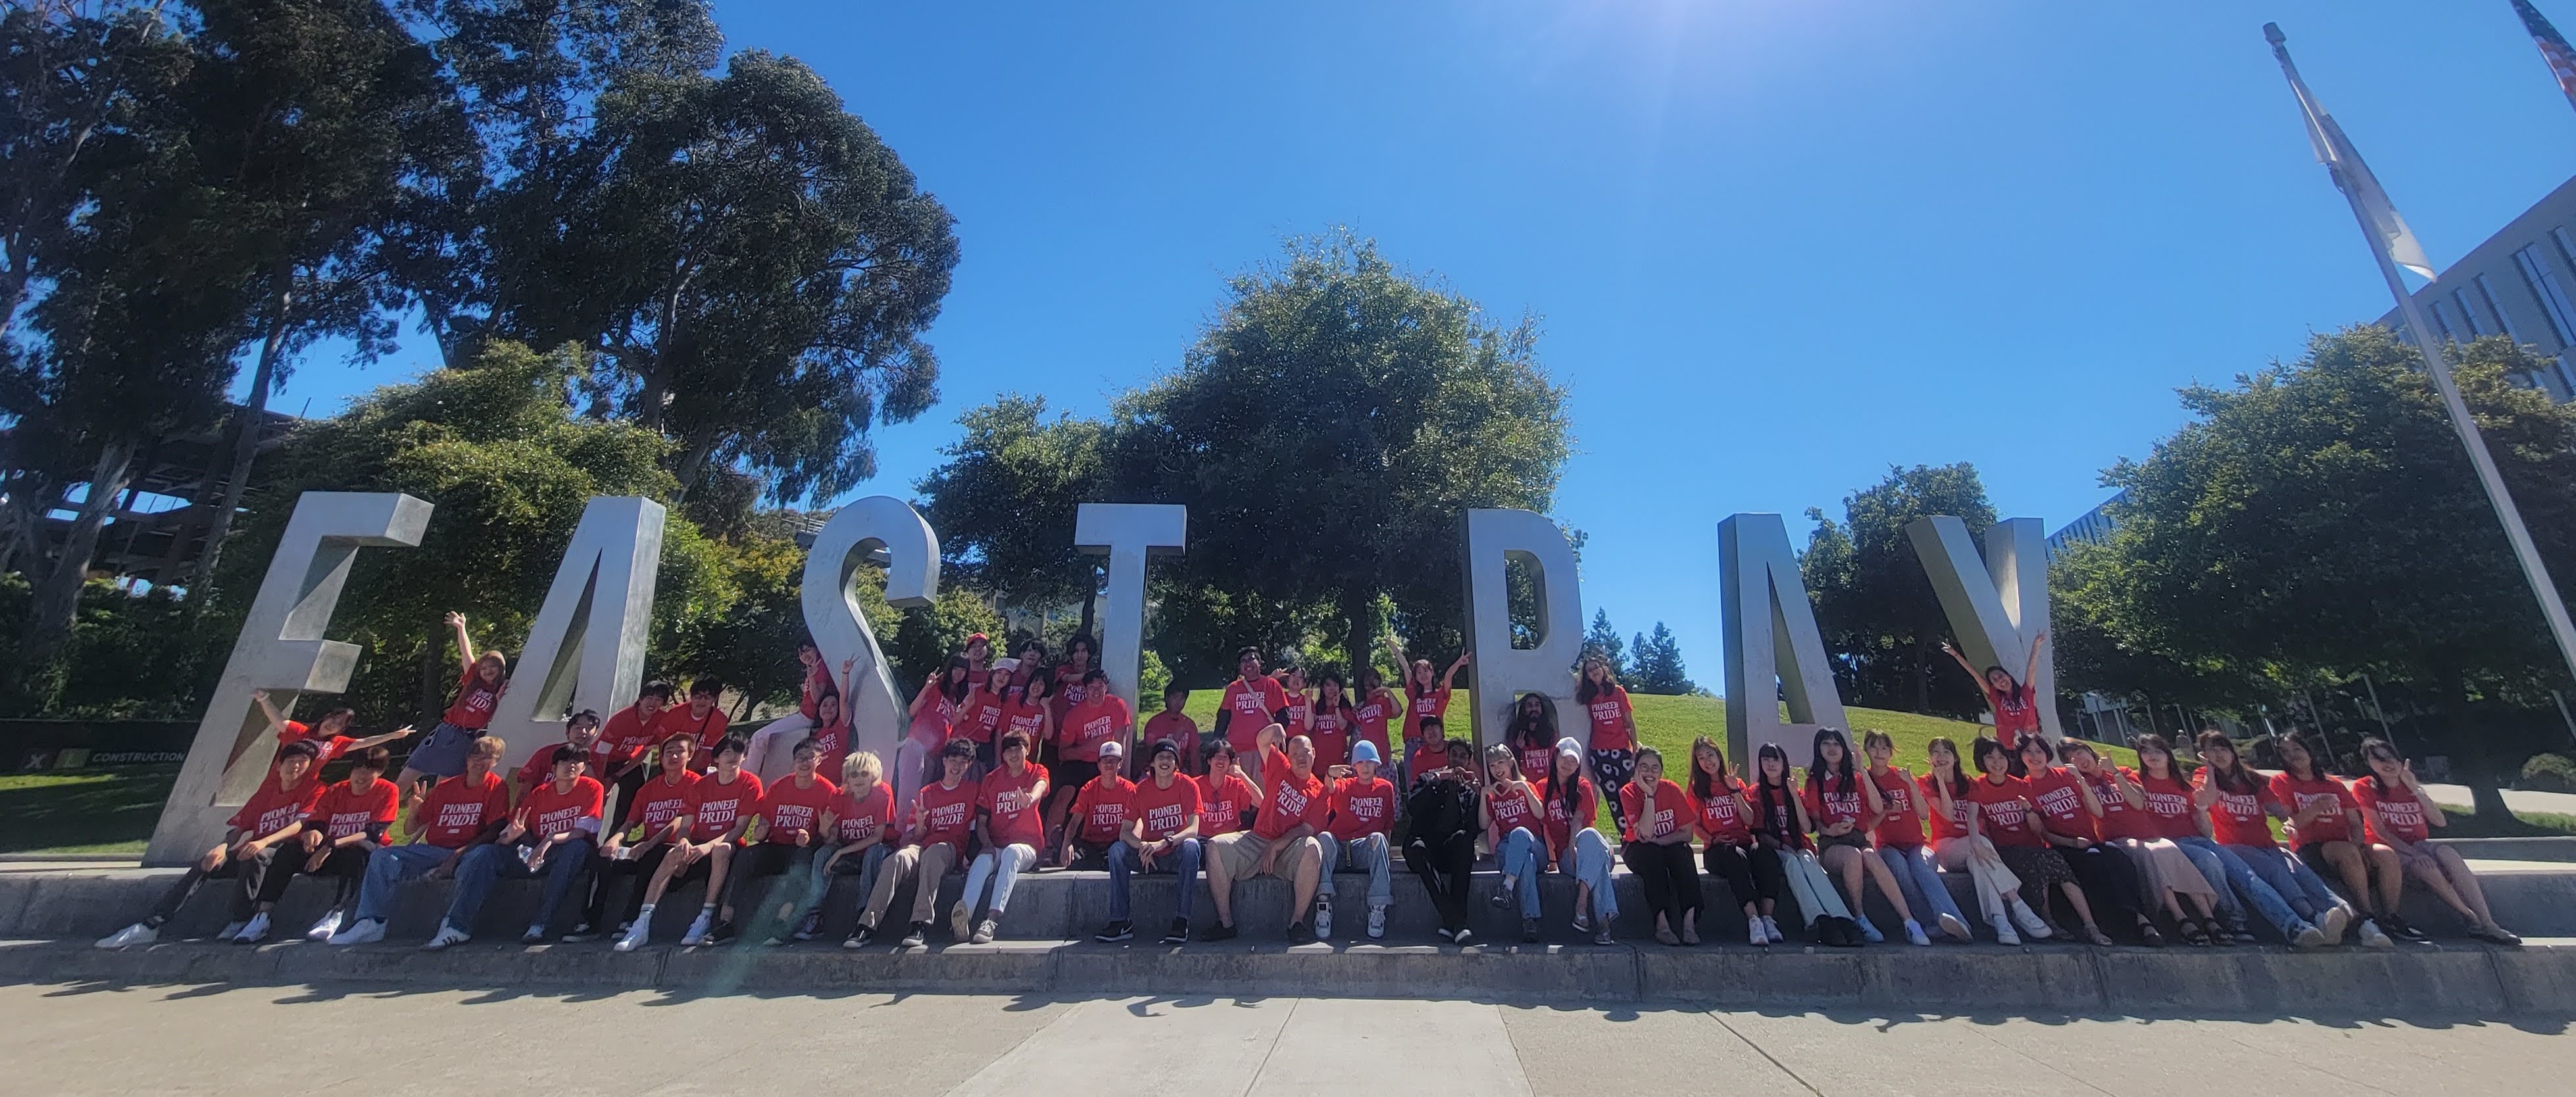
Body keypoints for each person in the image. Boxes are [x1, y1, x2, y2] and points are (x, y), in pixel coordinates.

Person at [99, 741, 324, 949]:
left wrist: (263, 841)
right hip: (253, 846)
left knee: (257, 854)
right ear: (279, 765)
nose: (296, 766)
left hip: (283, 851)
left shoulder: (315, 789)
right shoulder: (266, 792)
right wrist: (222, 847)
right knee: (208, 862)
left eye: (303, 762)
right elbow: (240, 826)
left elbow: (300, 824)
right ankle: (153, 924)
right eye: (291, 761)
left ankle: (241, 918)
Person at [2137, 733, 2332, 948]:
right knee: (2210, 862)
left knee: (2249, 877)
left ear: (2168, 755)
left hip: (2201, 840)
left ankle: (2296, 925)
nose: (2152, 756)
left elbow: (2204, 824)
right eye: (2145, 751)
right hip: (2171, 844)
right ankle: (2236, 920)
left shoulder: (2183, 785)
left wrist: (2203, 807)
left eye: (2158, 750)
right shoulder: (2139, 781)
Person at [328, 735, 512, 946]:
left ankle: (454, 925)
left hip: (467, 852)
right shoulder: (445, 788)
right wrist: (414, 811)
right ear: (467, 758)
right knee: (382, 857)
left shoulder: (497, 787)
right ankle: (370, 923)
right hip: (434, 850)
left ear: (496, 761)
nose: (479, 762)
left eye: (488, 758)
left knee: (479, 858)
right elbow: (409, 829)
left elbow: (494, 829)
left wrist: (457, 854)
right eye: (476, 756)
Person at [430, 744, 605, 948]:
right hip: (533, 853)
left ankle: (540, 924)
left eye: (577, 762)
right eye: (565, 762)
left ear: (584, 768)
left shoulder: (592, 788)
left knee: (577, 847)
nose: (571, 766)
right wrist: (511, 837)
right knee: (485, 853)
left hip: (565, 852)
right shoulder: (539, 794)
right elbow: (507, 835)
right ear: (554, 769)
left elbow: (580, 833)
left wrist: (549, 840)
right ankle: (457, 927)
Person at [2352, 737, 2519, 944]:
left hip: (2420, 844)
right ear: (2369, 764)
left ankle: (2488, 922)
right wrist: (2414, 854)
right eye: (2379, 759)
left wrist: (2415, 788)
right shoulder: (2365, 787)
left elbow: (2439, 821)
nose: (2388, 763)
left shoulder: (2408, 786)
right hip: (2393, 848)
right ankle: (2471, 918)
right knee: (2426, 867)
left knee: (2448, 852)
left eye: (2391, 757)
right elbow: (2381, 831)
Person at [2064, 739, 2227, 944]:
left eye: (2080, 753)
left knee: (2169, 849)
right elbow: (2097, 812)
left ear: (2090, 752)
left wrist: (2115, 773)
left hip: (2148, 836)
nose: (2078, 759)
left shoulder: (2123, 771)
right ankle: (2180, 917)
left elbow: (2138, 803)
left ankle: (2209, 918)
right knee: (2151, 854)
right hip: (2119, 839)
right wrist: (2081, 780)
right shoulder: (2081, 784)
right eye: (2071, 758)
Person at [613, 736, 761, 951]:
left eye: (738, 752)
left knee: (722, 850)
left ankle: (704, 918)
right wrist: (684, 841)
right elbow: (685, 825)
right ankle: (642, 923)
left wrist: (707, 847)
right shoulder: (701, 786)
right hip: (698, 844)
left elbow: (738, 829)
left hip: (726, 846)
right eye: (727, 753)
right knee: (672, 853)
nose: (732, 757)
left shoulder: (750, 783)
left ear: (745, 757)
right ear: (717, 759)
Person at [1962, 737, 2103, 942]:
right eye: (1990, 757)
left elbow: (2038, 830)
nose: (1997, 762)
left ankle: (2090, 925)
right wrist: (1977, 842)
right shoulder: (1978, 787)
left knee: (2055, 862)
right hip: (2008, 849)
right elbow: (1974, 819)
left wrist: (2028, 810)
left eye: (2001, 757)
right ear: (1981, 761)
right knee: (2037, 863)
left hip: (2033, 845)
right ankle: (2049, 921)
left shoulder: (2020, 786)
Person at [2020, 736, 2157, 946]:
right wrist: (2073, 843)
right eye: (2028, 752)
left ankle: (2142, 918)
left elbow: (2097, 811)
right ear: (2021, 757)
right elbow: (2042, 833)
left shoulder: (2065, 775)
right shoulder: (2026, 787)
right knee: (2095, 862)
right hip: (2065, 845)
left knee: (2118, 857)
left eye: (2039, 751)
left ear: (2047, 754)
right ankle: (2121, 921)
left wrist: (2081, 781)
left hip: (2092, 841)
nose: (2035, 757)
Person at [1204, 723, 1329, 942]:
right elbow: (1262, 740)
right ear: (1287, 756)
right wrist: (1276, 728)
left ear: (1315, 753)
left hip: (1288, 849)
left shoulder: (1320, 791)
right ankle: (1225, 923)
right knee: (1215, 845)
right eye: (1295, 753)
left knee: (1313, 847)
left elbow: (1307, 829)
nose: (1301, 758)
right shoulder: (1280, 767)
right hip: (1257, 838)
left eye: (1306, 752)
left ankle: (1297, 922)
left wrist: (1278, 844)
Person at [567, 734, 698, 942]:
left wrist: (648, 844)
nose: (674, 756)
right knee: (602, 860)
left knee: (651, 856)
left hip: (674, 848)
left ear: (690, 755)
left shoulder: (696, 784)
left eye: (679, 751)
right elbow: (629, 823)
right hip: (646, 845)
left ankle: (629, 920)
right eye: (668, 752)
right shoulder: (648, 789)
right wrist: (614, 840)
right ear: (661, 758)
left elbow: (680, 821)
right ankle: (590, 922)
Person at [2265, 732, 2391, 946]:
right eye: (2285, 753)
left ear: (2309, 751)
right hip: (2310, 847)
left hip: (2344, 846)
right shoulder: (2282, 782)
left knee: (2386, 855)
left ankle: (2391, 916)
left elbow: (2355, 824)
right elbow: (2289, 822)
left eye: (2297, 749)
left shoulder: (2334, 785)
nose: (2292, 756)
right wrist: (2315, 809)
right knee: (2346, 852)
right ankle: (2368, 913)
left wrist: (2358, 845)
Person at [851, 738, 978, 948]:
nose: (956, 766)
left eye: (962, 762)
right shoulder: (927, 793)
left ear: (969, 765)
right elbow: (917, 838)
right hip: (924, 845)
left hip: (948, 848)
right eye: (953, 760)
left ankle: (920, 923)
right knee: (897, 858)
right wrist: (920, 823)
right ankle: (866, 925)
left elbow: (974, 831)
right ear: (944, 762)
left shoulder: (972, 791)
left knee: (934, 853)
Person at [1919, 736, 2046, 943]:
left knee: (1979, 862)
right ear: (1930, 757)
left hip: (1972, 846)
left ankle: (2001, 923)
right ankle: (2017, 903)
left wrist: (1976, 843)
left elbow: (1971, 817)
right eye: (1936, 752)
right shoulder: (1926, 781)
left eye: (1946, 752)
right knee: (1980, 846)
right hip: (1947, 848)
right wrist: (1941, 781)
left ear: (1956, 757)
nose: (1941, 757)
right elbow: (1949, 815)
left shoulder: (1968, 783)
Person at [1806, 727, 1926, 945]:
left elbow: (1876, 808)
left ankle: (1909, 921)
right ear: (1819, 748)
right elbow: (1815, 821)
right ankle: (1860, 916)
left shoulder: (1856, 779)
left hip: (1858, 839)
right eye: (1826, 744)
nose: (1832, 748)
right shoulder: (1815, 781)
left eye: (1837, 744)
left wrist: (1861, 769)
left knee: (1871, 857)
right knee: (1853, 856)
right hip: (1832, 844)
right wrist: (1829, 830)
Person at [1860, 731, 1973, 942]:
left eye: (1885, 748)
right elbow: (1866, 825)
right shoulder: (1863, 780)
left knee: (1920, 866)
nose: (1879, 752)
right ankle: (1931, 923)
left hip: (1917, 844)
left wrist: (1910, 783)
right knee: (1900, 869)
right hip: (1888, 847)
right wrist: (1885, 811)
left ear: (1891, 752)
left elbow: (1923, 814)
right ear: (1866, 749)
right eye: (1874, 747)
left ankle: (1957, 922)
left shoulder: (1901, 776)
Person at [282, 746, 402, 942]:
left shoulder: (388, 791)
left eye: (370, 771)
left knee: (357, 853)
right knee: (288, 852)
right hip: (328, 854)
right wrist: (313, 834)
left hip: (360, 852)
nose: (362, 776)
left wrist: (331, 845)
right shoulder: (336, 790)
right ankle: (260, 915)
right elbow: (318, 822)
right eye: (358, 769)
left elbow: (373, 833)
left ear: (379, 773)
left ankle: (336, 915)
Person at [728, 737, 840, 944]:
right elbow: (761, 828)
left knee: (802, 859)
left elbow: (831, 837)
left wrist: (818, 834)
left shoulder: (828, 792)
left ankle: (782, 923)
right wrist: (761, 831)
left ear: (819, 761)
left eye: (810, 758)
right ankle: (726, 920)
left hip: (805, 848)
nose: (804, 763)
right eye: (800, 758)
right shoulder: (779, 787)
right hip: (777, 845)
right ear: (793, 762)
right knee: (745, 856)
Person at [1750, 742, 1860, 944]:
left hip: (1800, 847)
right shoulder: (1756, 793)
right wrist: (1783, 847)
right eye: (1766, 759)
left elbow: (1808, 828)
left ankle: (1843, 918)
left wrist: (1793, 795)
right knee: (1792, 862)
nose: (1771, 764)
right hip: (1777, 850)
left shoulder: (1793, 790)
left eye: (1776, 759)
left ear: (1785, 764)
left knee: (1807, 860)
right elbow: (1760, 834)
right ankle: (1819, 920)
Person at [1101, 738, 1202, 944]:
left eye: (1170, 758)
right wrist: (1143, 846)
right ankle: (1121, 921)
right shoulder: (1140, 790)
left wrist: (1165, 842)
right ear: (1153, 764)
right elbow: (1125, 832)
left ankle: (1182, 920)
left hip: (1174, 854)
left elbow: (1193, 829)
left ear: (1176, 763)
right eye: (1160, 757)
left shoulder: (1188, 786)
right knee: (1117, 851)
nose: (1165, 761)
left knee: (1192, 847)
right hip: (1148, 857)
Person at [789, 750, 897, 941]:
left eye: (864, 774)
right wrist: (824, 831)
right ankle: (815, 915)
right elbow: (832, 839)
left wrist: (841, 851)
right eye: (854, 774)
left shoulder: (882, 793)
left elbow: (877, 837)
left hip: (878, 852)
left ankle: (863, 915)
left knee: (874, 851)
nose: (859, 779)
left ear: (873, 775)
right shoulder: (839, 796)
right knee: (822, 853)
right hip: (850, 854)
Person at [953, 731, 1049, 943]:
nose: (1013, 755)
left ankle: (991, 920)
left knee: (1012, 852)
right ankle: (963, 916)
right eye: (1009, 751)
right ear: (1003, 755)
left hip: (1027, 846)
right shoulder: (991, 779)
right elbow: (981, 823)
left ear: (1027, 750)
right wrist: (986, 845)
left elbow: (1040, 786)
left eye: (1018, 749)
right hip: (997, 845)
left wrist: (1030, 799)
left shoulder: (1037, 771)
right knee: (982, 861)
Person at [395, 611, 508, 790]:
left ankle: (431, 816)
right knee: (407, 775)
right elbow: (466, 651)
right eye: (484, 667)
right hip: (446, 731)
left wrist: (498, 698)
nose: (487, 671)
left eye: (492, 667)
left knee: (443, 788)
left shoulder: (502, 691)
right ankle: (382, 814)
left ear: (500, 669)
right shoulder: (472, 680)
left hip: (466, 738)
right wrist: (461, 627)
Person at [1689, 736, 1779, 945]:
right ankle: (1753, 920)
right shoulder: (1696, 789)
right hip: (1718, 850)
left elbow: (1749, 819)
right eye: (1701, 758)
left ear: (1718, 755)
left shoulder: (1735, 782)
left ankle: (1768, 918)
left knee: (1764, 852)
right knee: (1734, 856)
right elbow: (1693, 825)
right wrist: (1711, 838)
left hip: (1744, 842)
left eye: (1710, 755)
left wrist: (1735, 792)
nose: (1707, 761)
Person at [247, 689, 412, 798]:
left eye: (340, 724)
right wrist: (264, 699)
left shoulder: (336, 743)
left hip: (305, 790)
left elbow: (364, 742)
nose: (333, 724)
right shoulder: (300, 732)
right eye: (334, 719)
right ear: (326, 717)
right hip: (276, 784)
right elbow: (278, 719)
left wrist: (393, 735)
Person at [1620, 744, 1703, 945]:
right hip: (1637, 848)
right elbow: (1645, 835)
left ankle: (1689, 924)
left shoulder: (1671, 789)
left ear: (1662, 770)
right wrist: (1649, 795)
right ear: (1636, 770)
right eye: (1644, 767)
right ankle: (1662, 925)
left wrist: (1660, 841)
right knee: (1652, 856)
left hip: (1667, 844)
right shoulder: (1628, 792)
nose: (1650, 773)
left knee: (1683, 853)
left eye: (1655, 768)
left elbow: (1687, 834)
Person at [1403, 735, 1481, 944]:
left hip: (1448, 852)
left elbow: (1474, 830)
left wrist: (1479, 796)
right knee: (1416, 849)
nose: (1457, 760)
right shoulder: (1429, 779)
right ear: (1447, 757)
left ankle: (1452, 923)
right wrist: (1439, 780)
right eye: (1454, 754)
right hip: (1423, 846)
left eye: (1462, 757)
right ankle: (1457, 922)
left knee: (1464, 841)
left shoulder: (1471, 791)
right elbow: (1412, 807)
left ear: (1468, 762)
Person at [1316, 739, 1398, 940]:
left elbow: (1387, 824)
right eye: (1361, 763)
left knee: (1379, 839)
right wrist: (1329, 774)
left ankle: (1377, 909)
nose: (1366, 767)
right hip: (1340, 849)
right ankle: (1323, 904)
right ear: (1354, 766)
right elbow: (1329, 790)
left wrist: (1384, 856)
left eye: (1370, 762)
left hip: (1364, 849)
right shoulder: (1345, 785)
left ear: (1377, 764)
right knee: (1324, 838)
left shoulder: (1385, 788)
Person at [1047, 668, 1129, 862]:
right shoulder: (1075, 714)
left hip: (1107, 761)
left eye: (1100, 687)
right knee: (1064, 793)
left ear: (1106, 687)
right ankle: (1049, 846)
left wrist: (1121, 772)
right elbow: (1063, 753)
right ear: (1085, 689)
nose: (1096, 691)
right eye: (1091, 687)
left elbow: (1121, 744)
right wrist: (1089, 747)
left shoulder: (1117, 705)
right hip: (1079, 761)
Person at [1941, 631, 2046, 764]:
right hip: (2009, 749)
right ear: (1994, 687)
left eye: (2001, 676)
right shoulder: (1997, 698)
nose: (2000, 681)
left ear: (2009, 676)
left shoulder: (2026, 694)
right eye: (1995, 680)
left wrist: (2036, 645)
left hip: (2031, 747)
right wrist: (1955, 655)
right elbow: (1975, 674)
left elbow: (2031, 669)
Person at [1481, 742, 1550, 942]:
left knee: (1520, 834)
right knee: (1524, 862)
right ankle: (1530, 921)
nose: (1497, 769)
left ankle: (1507, 888)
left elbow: (1541, 814)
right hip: (1507, 850)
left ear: (1511, 762)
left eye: (1501, 763)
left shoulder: (1527, 786)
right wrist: (1483, 797)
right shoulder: (1494, 794)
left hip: (1536, 846)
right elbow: (1484, 824)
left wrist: (1524, 789)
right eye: (1492, 766)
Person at [1387, 636, 1468, 783]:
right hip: (1413, 742)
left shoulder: (1439, 695)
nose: (1423, 675)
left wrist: (1459, 663)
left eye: (1426, 671)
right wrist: (1394, 648)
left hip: (1434, 742)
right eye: (1419, 672)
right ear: (1416, 676)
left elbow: (1449, 676)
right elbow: (1405, 667)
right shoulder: (1413, 693)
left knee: (1438, 779)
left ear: (1432, 673)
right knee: (1413, 781)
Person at [744, 642, 829, 782]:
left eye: (807, 650)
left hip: (807, 718)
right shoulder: (813, 668)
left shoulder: (821, 668)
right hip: (803, 715)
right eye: (801, 653)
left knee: (759, 737)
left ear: (816, 648)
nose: (804, 656)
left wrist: (812, 678)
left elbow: (817, 699)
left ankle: (747, 780)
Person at [595, 682, 678, 817]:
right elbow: (602, 753)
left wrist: (618, 775)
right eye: (649, 698)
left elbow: (644, 751)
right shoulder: (622, 719)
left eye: (658, 699)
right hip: (601, 760)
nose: (653, 703)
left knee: (635, 787)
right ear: (641, 699)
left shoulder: (661, 719)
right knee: (598, 795)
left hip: (626, 760)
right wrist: (603, 781)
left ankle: (618, 833)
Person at [1577, 654, 1639, 833]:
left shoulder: (1618, 692)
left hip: (1621, 751)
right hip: (1600, 753)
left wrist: (1634, 748)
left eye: (1596, 667)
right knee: (1613, 800)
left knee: (1629, 795)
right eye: (1589, 670)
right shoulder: (1588, 697)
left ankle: (1638, 833)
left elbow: (1629, 722)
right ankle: (1625, 837)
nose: (1594, 672)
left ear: (1604, 668)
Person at [902, 657, 974, 810]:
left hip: (936, 753)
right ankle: (902, 831)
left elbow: (953, 722)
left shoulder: (956, 698)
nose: (958, 673)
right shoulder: (936, 688)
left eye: (963, 670)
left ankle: (916, 828)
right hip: (917, 745)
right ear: (950, 668)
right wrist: (927, 688)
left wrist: (967, 707)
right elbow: (912, 710)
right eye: (956, 668)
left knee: (923, 795)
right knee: (908, 794)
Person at [512, 709, 612, 805]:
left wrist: (587, 761)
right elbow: (525, 788)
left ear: (596, 733)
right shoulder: (546, 753)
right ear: (568, 732)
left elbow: (598, 794)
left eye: (589, 728)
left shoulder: (597, 760)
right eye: (578, 727)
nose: (584, 732)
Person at [1062, 740, 1134, 869]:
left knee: (1116, 859)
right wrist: (1066, 844)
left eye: (1113, 760)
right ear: (1099, 765)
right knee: (1075, 862)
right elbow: (1075, 822)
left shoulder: (1129, 789)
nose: (1109, 764)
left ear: (1120, 764)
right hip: (1091, 844)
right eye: (1105, 760)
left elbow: (1138, 820)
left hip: (1117, 843)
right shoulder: (1088, 789)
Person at [1214, 646, 1291, 757]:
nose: (1248, 664)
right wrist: (1216, 742)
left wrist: (1274, 739)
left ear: (1260, 663)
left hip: (1264, 750)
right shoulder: (1233, 688)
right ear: (1240, 668)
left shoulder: (1272, 685)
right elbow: (1223, 718)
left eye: (1252, 659)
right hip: (1237, 751)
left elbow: (1284, 716)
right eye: (1244, 661)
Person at [951, 664, 1014, 769]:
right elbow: (957, 718)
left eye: (1006, 675)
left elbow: (999, 732)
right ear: (992, 674)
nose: (1002, 677)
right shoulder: (977, 691)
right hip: (964, 740)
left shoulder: (1004, 701)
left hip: (983, 747)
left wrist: (998, 760)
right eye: (999, 673)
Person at [659, 679, 731, 767]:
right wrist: (666, 766)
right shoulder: (675, 713)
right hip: (670, 764)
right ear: (691, 696)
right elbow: (663, 740)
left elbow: (705, 751)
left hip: (697, 768)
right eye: (698, 696)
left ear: (715, 699)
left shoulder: (719, 720)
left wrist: (688, 774)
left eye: (708, 697)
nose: (702, 701)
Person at [1199, 740, 1259, 839]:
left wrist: (1242, 776)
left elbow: (1260, 802)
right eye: (1217, 757)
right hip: (1203, 838)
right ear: (1209, 761)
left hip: (1229, 840)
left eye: (1225, 758)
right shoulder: (1196, 785)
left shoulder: (1236, 784)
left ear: (1230, 763)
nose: (1221, 761)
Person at [1143, 684, 1202, 775]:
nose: (1178, 702)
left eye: (1182, 698)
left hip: (1179, 771)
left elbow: (1195, 755)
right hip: (1156, 771)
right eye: (1175, 698)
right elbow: (1149, 753)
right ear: (1167, 698)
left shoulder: (1189, 724)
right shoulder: (1155, 723)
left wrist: (1196, 778)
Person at [1352, 668, 1398, 780]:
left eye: (1373, 678)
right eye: (1367, 679)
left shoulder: (1383, 702)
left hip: (1383, 759)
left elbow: (1397, 712)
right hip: (1365, 761)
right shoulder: (1360, 707)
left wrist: (1388, 691)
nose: (1370, 681)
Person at [1307, 673, 1358, 770]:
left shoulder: (1344, 707)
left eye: (1335, 685)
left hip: (1337, 761)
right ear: (1322, 688)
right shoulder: (1317, 707)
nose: (1332, 689)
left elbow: (1343, 726)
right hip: (1319, 761)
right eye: (1328, 685)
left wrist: (1336, 706)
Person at [1504, 693, 1558, 784]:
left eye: (1537, 705)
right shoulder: (1515, 733)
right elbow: (1510, 764)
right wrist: (1518, 748)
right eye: (1529, 706)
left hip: (1548, 785)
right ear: (1524, 710)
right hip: (1527, 786)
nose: (1534, 709)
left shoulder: (1551, 733)